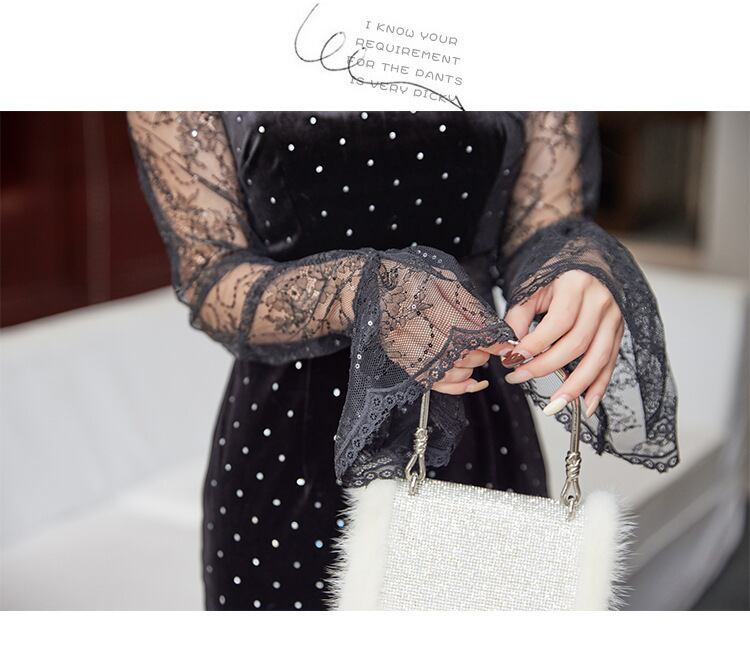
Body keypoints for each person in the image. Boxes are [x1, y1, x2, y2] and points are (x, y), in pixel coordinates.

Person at [127, 111, 678, 611]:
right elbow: (212, 277)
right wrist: (366, 290)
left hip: (471, 419)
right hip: (289, 444)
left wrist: (572, 264)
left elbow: (538, 224)